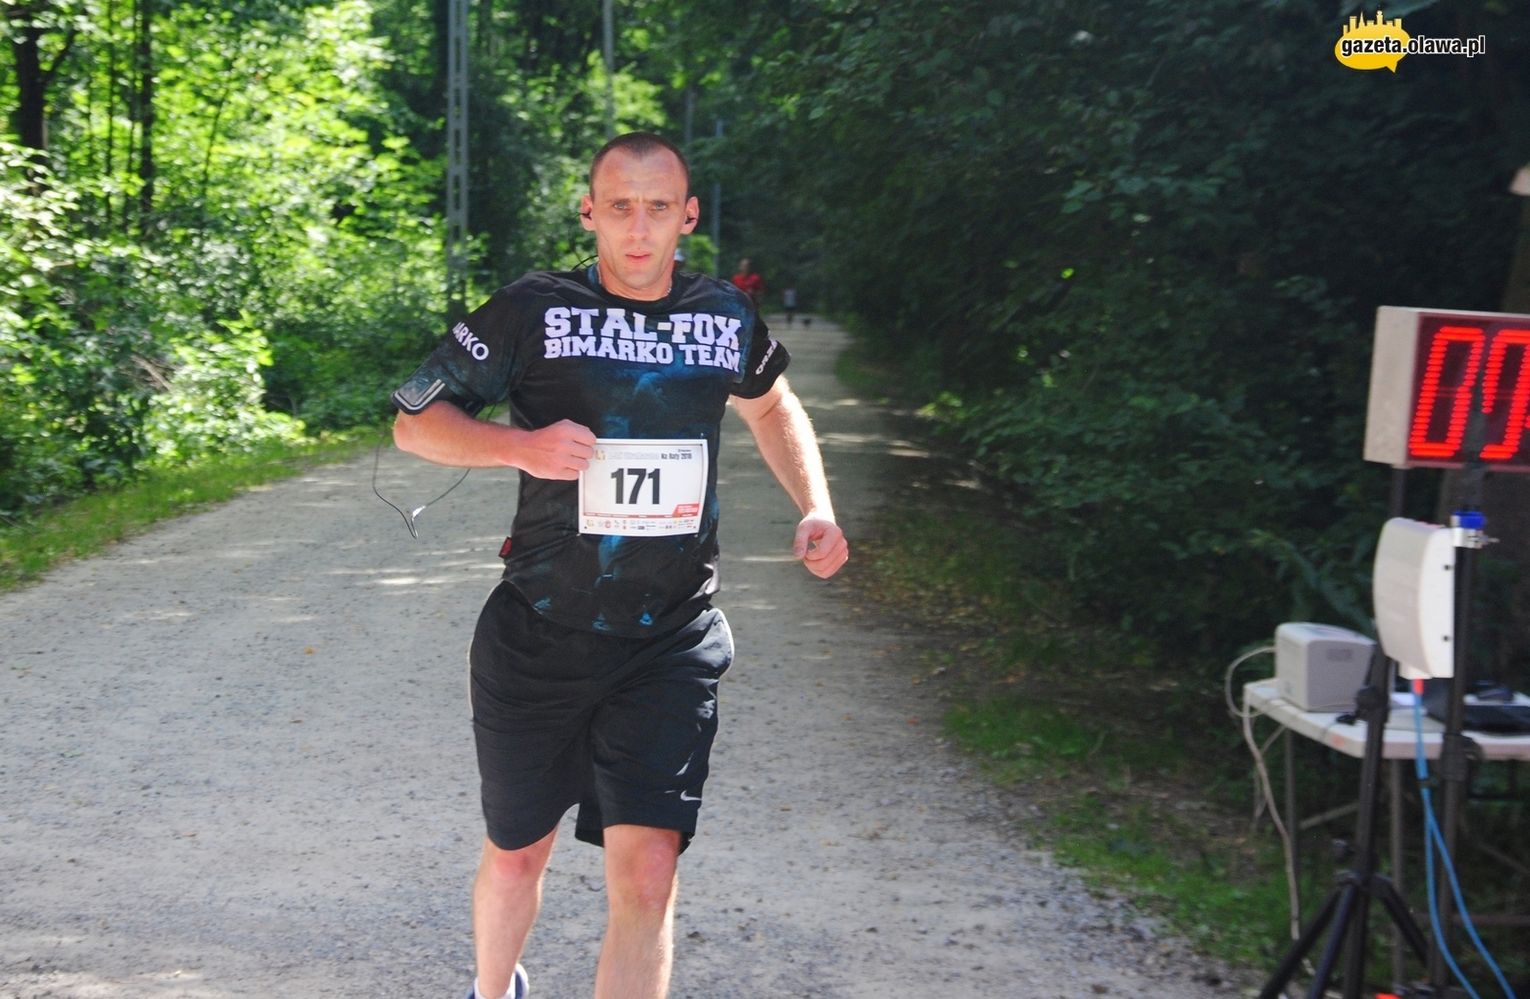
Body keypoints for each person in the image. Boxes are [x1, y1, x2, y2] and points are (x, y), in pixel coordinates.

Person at [390, 132, 849, 999]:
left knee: (648, 873)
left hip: (670, 636)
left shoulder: (724, 315)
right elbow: (415, 422)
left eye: (659, 208)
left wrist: (815, 503)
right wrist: (519, 446)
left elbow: (772, 405)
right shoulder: (534, 309)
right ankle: (493, 987)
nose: (640, 229)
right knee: (518, 852)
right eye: (621, 208)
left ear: (689, 216)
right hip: (539, 631)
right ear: (589, 213)